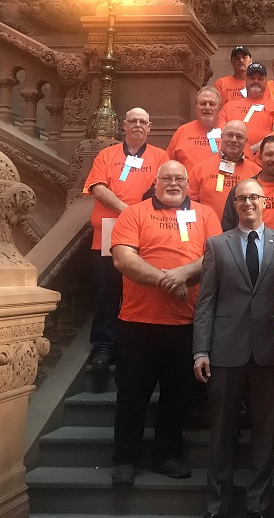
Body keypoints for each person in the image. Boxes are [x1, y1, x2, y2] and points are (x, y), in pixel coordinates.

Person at [109, 160, 222, 485]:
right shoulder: (134, 213)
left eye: (179, 179)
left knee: (177, 395)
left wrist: (183, 274)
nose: (173, 183)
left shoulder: (205, 215)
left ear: (188, 183)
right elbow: (123, 258)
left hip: (186, 323)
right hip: (137, 322)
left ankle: (166, 455)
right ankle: (125, 459)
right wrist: (165, 280)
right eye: (167, 178)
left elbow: (214, 255)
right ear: (156, 182)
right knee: (131, 394)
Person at [194, 178, 274, 518]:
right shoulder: (216, 245)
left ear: (265, 202)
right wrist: (200, 350)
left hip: (269, 350)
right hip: (225, 351)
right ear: (234, 205)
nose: (248, 203)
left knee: (264, 435)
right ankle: (216, 504)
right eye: (241, 199)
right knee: (221, 432)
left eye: (254, 197)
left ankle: (258, 505)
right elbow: (206, 302)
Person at [83, 107, 169, 389]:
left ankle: (131, 345)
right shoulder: (107, 155)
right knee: (108, 291)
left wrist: (138, 215)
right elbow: (97, 187)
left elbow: (166, 191)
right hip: (108, 232)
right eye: (132, 121)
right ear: (124, 125)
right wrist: (126, 209)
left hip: (145, 233)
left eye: (143, 122)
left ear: (150, 127)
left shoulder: (160, 157)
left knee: (138, 290)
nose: (137, 125)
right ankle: (104, 346)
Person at [187, 120, 261, 218]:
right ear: (221, 137)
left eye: (239, 137)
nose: (234, 140)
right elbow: (189, 206)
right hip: (209, 230)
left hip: (245, 231)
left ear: (246, 142)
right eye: (230, 135)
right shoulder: (199, 170)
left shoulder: (257, 172)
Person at [218, 62, 274, 154]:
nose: (256, 81)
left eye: (260, 78)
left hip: (262, 161)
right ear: (246, 80)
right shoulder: (229, 106)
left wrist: (251, 150)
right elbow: (220, 134)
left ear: (266, 82)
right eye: (252, 78)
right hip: (231, 158)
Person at [167, 86, 224, 170]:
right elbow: (168, 164)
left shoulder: (231, 131)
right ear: (196, 107)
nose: (207, 107)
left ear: (220, 108)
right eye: (203, 103)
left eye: (212, 104)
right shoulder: (182, 131)